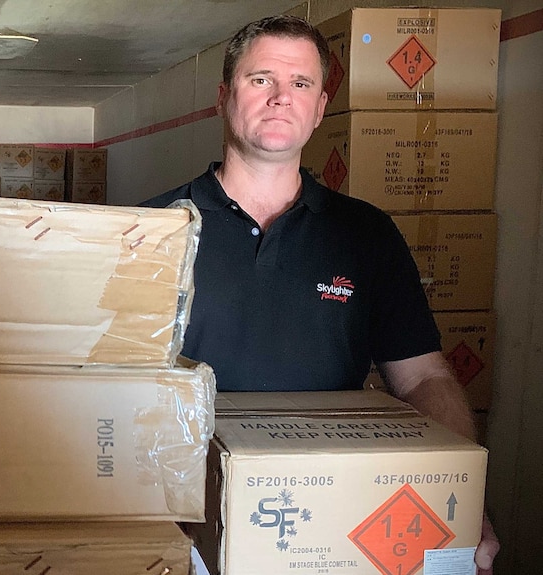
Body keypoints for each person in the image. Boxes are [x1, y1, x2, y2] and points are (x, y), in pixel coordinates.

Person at [140, 15, 499, 574]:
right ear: (222, 97)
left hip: (328, 526)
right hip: (177, 529)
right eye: (261, 79)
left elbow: (424, 377)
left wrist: (464, 499)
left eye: (301, 84)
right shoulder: (151, 229)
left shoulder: (367, 235)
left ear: (321, 107)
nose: (281, 97)